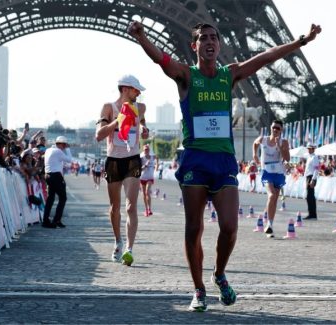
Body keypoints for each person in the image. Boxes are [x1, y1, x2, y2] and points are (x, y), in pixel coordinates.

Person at [128, 20, 321, 311]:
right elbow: (161, 59)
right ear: (194, 46)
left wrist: (301, 42)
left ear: (219, 45)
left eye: (213, 38)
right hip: (195, 159)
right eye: (203, 38)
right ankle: (198, 289)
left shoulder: (228, 75)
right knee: (193, 229)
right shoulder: (186, 76)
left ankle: (219, 273)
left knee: (230, 227)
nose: (209, 41)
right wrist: (142, 37)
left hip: (223, 161)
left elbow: (266, 57)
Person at [95, 74, 149, 266]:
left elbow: (142, 124)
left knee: (131, 206)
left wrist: (144, 129)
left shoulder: (140, 108)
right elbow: (99, 135)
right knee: (115, 207)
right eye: (136, 90)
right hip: (113, 161)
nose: (139, 93)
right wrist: (117, 121)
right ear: (125, 89)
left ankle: (129, 248)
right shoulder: (109, 107)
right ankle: (118, 241)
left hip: (133, 159)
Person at [253, 120, 290, 238]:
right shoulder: (262, 139)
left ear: (281, 130)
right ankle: (269, 224)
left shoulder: (284, 142)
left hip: (278, 171)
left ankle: (270, 224)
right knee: (271, 195)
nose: (275, 130)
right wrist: (254, 154)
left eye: (278, 128)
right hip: (266, 171)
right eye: (274, 127)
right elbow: (255, 143)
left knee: (274, 200)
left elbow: (287, 158)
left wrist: (280, 147)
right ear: (270, 127)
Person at [42, 136, 72, 228]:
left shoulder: (48, 150)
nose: (64, 147)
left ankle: (46, 220)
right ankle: (56, 220)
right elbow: (69, 159)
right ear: (61, 144)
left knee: (50, 199)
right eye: (64, 145)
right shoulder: (58, 151)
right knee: (63, 198)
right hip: (56, 176)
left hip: (48, 175)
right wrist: (68, 149)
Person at [303, 143, 320, 220]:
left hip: (311, 177)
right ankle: (312, 214)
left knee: (309, 196)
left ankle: (312, 214)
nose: (308, 150)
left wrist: (313, 179)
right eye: (308, 148)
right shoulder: (309, 157)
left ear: (313, 149)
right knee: (310, 196)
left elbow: (316, 169)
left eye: (310, 148)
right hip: (308, 177)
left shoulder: (315, 157)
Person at [140, 144, 157, 216]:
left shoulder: (152, 157)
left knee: (147, 192)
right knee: (144, 194)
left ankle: (150, 209)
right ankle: (146, 209)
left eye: (147, 149)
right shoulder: (141, 158)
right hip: (142, 177)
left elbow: (157, 158)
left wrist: (157, 166)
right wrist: (145, 165)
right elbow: (140, 169)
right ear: (143, 150)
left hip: (150, 177)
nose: (146, 151)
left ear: (149, 150)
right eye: (145, 149)